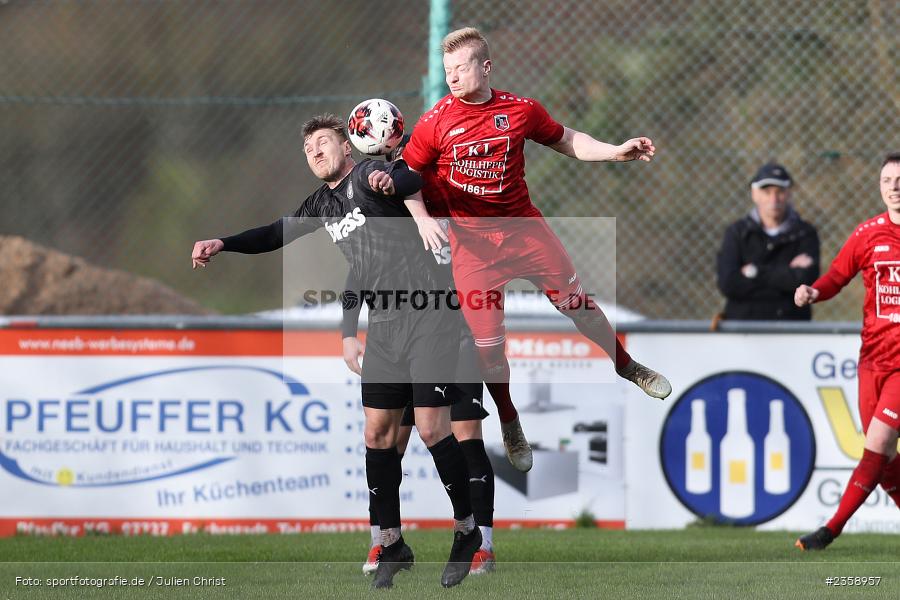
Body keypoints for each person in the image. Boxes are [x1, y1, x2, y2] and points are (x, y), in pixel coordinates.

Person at [190, 114, 481, 588]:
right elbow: (274, 234)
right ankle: (391, 543)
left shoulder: (369, 174)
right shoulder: (321, 204)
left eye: (323, 143)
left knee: (430, 429)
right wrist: (223, 243)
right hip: (384, 326)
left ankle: (467, 532)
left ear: (348, 145)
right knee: (377, 434)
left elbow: (410, 178)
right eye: (308, 150)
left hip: (430, 315)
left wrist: (397, 180)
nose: (316, 153)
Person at [400, 27, 672, 471]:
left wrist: (615, 152)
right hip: (473, 251)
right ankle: (509, 418)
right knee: (489, 349)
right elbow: (406, 177)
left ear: (485, 67)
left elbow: (567, 139)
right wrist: (424, 220)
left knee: (578, 305)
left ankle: (626, 365)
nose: (452, 76)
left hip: (526, 233)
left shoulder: (519, 109)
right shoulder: (435, 121)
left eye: (461, 67)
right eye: (447, 69)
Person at [347, 136, 496, 576]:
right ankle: (385, 541)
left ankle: (480, 542)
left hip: (456, 324)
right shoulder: (392, 196)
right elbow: (362, 264)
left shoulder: (455, 189)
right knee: (389, 437)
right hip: (407, 332)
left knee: (462, 431)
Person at [794, 153, 900, 550]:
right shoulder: (868, 233)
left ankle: (831, 529)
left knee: (878, 443)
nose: (895, 186)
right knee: (883, 460)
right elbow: (838, 275)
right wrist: (813, 291)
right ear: (880, 187)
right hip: (872, 359)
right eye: (887, 179)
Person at [716, 162, 820, 320]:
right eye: (767, 191)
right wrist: (785, 275)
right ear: (754, 194)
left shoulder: (805, 233)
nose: (774, 199)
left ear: (789, 193)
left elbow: (806, 281)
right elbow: (728, 284)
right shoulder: (737, 232)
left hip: (791, 326)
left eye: (780, 191)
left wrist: (754, 272)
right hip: (743, 328)